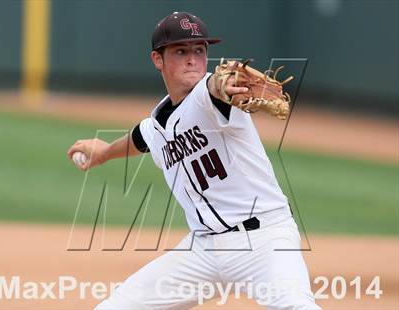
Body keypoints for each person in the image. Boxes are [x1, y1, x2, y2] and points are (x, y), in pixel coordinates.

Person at [67, 11, 320, 310]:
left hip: (265, 240)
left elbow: (216, 88)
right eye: (180, 51)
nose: (192, 59)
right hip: (203, 251)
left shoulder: (208, 96)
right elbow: (142, 138)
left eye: (199, 51)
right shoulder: (156, 124)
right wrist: (105, 152)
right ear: (157, 59)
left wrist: (224, 86)